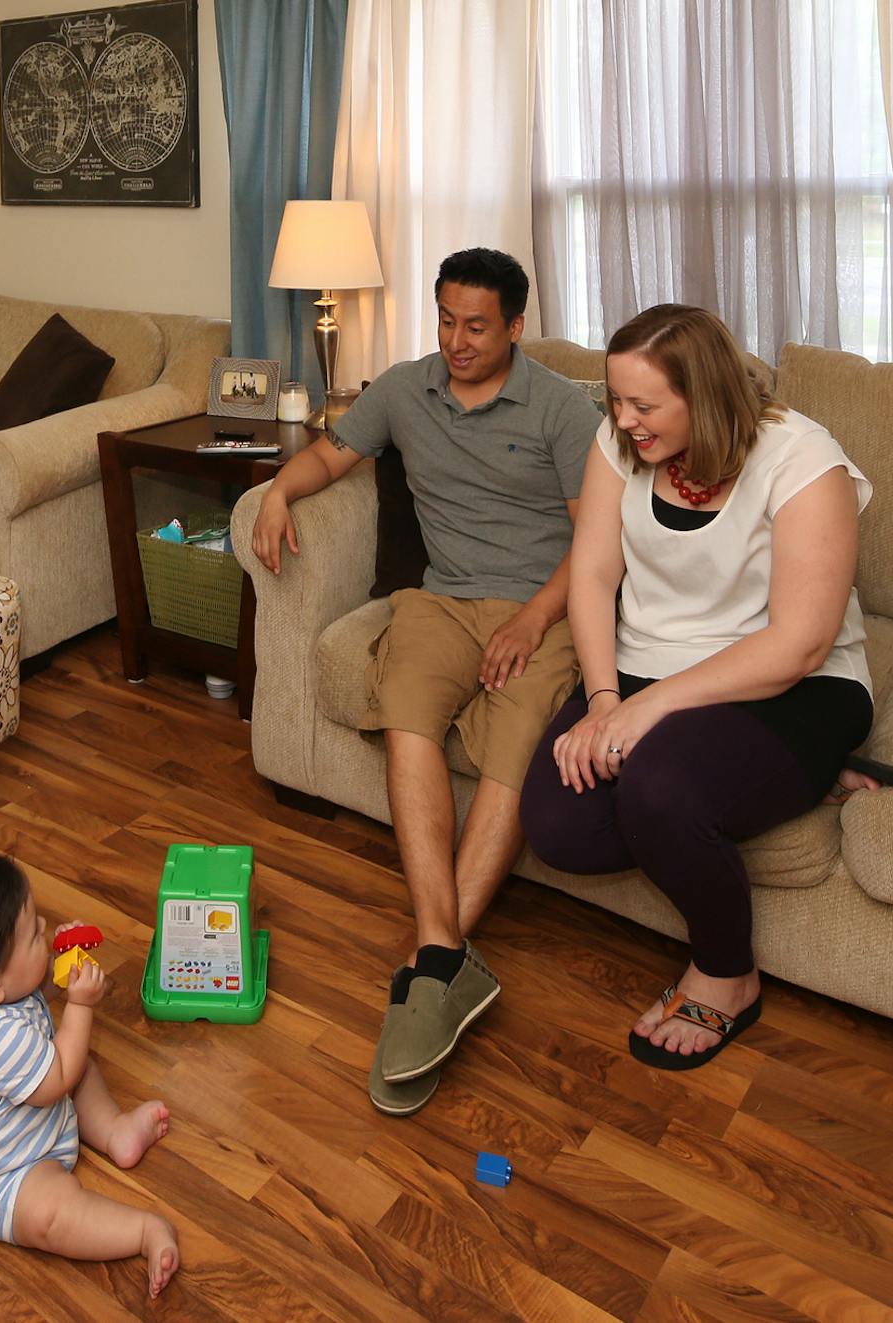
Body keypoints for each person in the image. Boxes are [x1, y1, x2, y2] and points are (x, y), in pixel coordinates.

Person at [250, 248, 603, 1116]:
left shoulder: (563, 407)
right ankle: (442, 952)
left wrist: (532, 620)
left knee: (519, 744)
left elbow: (597, 544)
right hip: (439, 603)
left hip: (542, 610)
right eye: (445, 320)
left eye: (476, 326)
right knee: (407, 717)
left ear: (516, 326)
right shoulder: (406, 389)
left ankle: (432, 965)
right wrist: (273, 494)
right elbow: (330, 458)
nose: (456, 340)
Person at [519, 303, 877, 1070]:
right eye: (616, 399)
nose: (624, 419)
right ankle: (780, 784)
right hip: (648, 668)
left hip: (789, 682)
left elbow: (800, 641)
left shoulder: (801, 458)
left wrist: (646, 711)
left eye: (644, 405)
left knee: (657, 788)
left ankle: (726, 971)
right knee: (558, 825)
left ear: (704, 395)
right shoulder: (619, 443)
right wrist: (608, 697)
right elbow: (592, 574)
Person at [0, 853, 180, 1299]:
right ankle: (144, 1231)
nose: (45, 927)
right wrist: (82, 1005)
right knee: (51, 1214)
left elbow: (36, 991)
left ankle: (115, 1131)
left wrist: (61, 965)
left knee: (83, 1064)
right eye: (34, 935)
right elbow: (59, 1079)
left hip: (32, 1122)